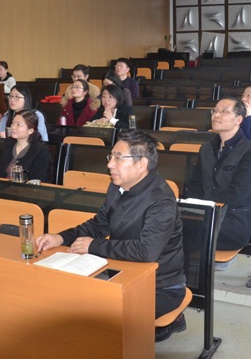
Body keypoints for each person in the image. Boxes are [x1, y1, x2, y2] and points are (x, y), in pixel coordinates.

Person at [35, 130, 186, 342]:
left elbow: (146, 251)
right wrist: (61, 237)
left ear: (141, 164)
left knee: (96, 324)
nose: (110, 164)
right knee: (62, 303)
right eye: (111, 156)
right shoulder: (118, 186)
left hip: (159, 286)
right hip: (123, 273)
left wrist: (93, 246)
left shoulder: (161, 201)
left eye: (118, 158)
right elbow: (99, 225)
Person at [186, 98, 251, 267]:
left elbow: (238, 194)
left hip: (232, 220)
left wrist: (205, 205)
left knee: (177, 233)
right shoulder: (206, 148)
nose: (216, 115)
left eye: (224, 111)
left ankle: (183, 277)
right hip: (204, 215)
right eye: (215, 111)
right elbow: (196, 185)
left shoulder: (250, 151)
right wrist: (194, 209)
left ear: (239, 119)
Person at [0, 110, 51, 182]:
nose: (13, 127)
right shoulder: (8, 143)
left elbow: (39, 179)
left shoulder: (40, 150)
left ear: (30, 130)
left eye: (18, 125)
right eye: (13, 123)